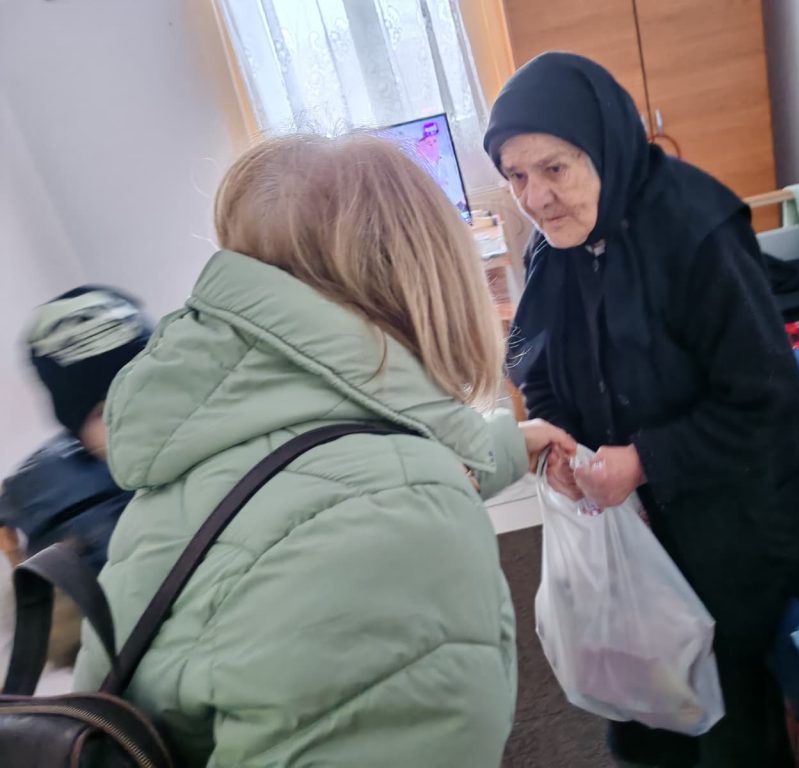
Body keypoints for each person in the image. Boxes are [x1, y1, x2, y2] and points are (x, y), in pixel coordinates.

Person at [73, 134, 575, 767]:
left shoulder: (204, 443)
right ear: (430, 278)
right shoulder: (399, 534)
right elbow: (360, 507)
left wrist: (500, 447)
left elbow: (315, 473)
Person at [484, 53, 799, 767]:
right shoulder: (555, 247)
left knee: (728, 716)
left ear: (603, 145)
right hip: (633, 518)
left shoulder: (698, 230)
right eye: (516, 177)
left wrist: (644, 460)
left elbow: (766, 403)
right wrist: (560, 449)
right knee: (639, 710)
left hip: (738, 509)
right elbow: (537, 370)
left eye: (554, 168)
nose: (537, 198)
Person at [0, 286, 151, 666]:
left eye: (146, 390)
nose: (132, 417)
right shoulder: (64, 514)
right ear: (77, 434)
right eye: (102, 413)